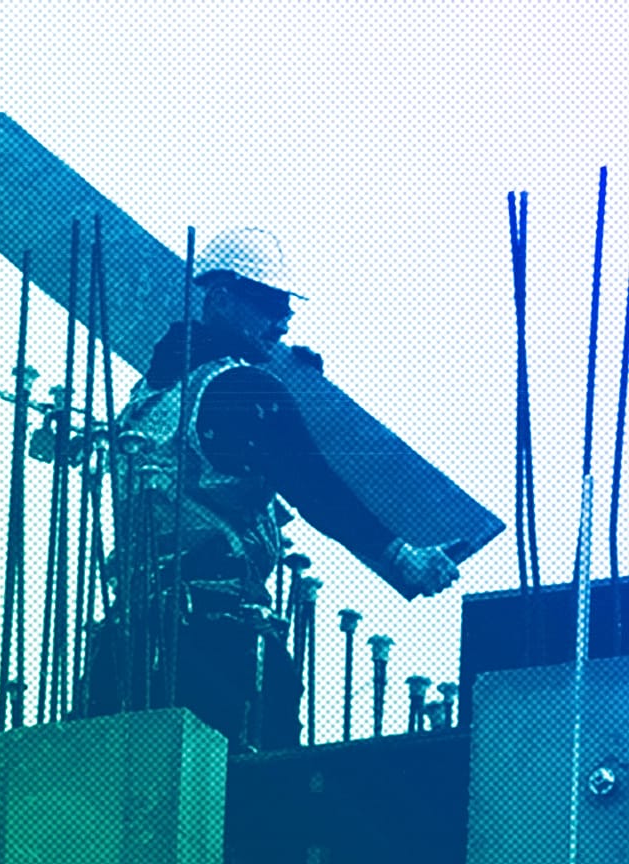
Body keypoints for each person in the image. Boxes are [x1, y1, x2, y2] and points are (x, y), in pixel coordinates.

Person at [81, 227, 459, 751]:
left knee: (114, 809)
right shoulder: (242, 390)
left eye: (286, 307)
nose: (282, 321)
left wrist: (286, 385)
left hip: (126, 647)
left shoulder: (151, 394)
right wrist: (400, 557)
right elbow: (316, 487)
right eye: (268, 304)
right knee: (245, 814)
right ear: (221, 297)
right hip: (217, 650)